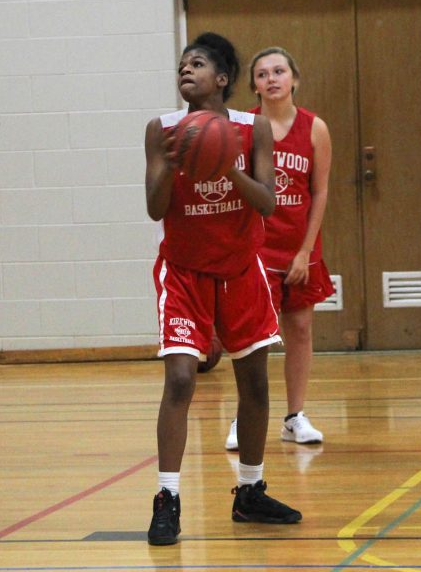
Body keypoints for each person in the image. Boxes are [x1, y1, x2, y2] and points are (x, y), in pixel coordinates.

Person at [145, 33, 302, 547]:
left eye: (198, 64)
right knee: (182, 380)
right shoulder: (162, 129)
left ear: (223, 79)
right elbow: (154, 207)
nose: (185, 71)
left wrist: (225, 164)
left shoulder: (251, 127)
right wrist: (174, 160)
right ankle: (168, 498)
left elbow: (267, 203)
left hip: (239, 270)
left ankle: (250, 492)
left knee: (255, 385)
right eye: (181, 65)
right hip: (185, 271)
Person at [225, 47, 334, 450]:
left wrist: (306, 250)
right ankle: (243, 418)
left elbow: (320, 192)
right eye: (262, 74)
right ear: (253, 85)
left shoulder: (315, 128)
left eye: (279, 71)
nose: (271, 79)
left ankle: (294, 417)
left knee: (301, 329)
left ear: (294, 78)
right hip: (256, 249)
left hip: (299, 247)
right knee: (253, 339)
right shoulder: (243, 128)